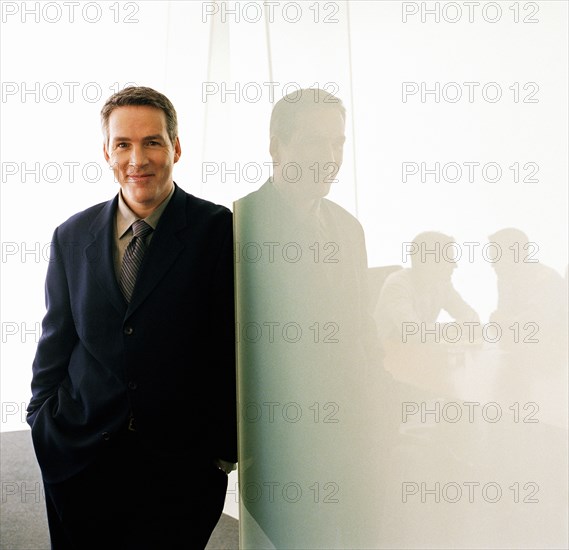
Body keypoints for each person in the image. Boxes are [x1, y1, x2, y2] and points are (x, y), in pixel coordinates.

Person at [26, 86, 237, 549]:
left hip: (178, 468)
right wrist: (41, 420)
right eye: (123, 144)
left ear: (176, 148)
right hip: (80, 455)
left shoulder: (218, 230)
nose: (137, 158)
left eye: (153, 142)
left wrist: (222, 450)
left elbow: (229, 347)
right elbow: (56, 339)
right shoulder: (71, 236)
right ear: (107, 152)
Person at [234, 89, 398, 549]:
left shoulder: (348, 227)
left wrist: (381, 409)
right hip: (282, 451)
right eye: (312, 141)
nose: (328, 157)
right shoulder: (238, 224)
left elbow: (360, 330)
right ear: (275, 147)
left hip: (353, 442)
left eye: (337, 143)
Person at [374, 230, 480, 349]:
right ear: (429, 262)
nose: (455, 265)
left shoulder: (442, 284)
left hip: (419, 354)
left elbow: (470, 315)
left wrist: (469, 323)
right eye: (449, 259)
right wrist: (454, 328)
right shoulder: (397, 286)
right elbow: (412, 333)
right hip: (389, 355)